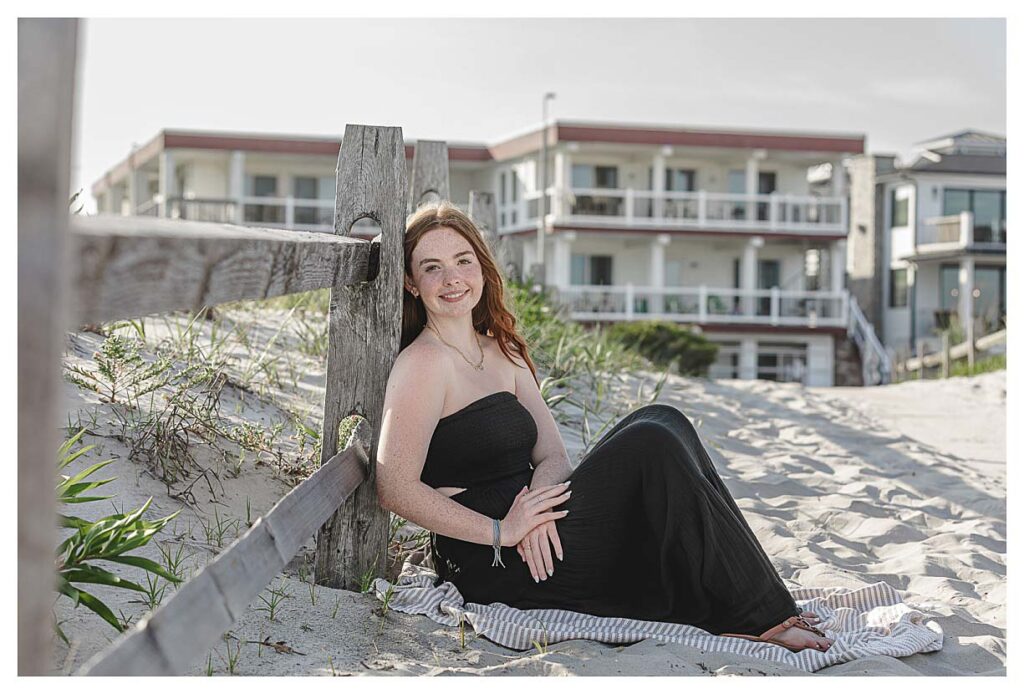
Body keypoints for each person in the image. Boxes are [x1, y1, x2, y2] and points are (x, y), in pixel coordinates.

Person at [375, 202, 831, 653]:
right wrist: (504, 531)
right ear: (412, 283)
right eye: (432, 267)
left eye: (462, 261)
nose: (452, 278)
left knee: (663, 419)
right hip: (492, 560)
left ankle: (759, 599)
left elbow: (553, 456)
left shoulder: (500, 351)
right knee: (651, 443)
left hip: (542, 534)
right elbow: (394, 486)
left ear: (481, 267)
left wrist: (536, 512)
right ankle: (761, 617)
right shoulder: (423, 364)